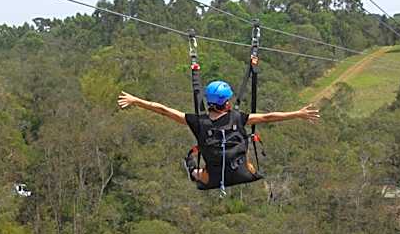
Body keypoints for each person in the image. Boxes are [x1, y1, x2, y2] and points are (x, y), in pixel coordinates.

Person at [117, 80, 320, 187]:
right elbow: (268, 117)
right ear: (227, 103)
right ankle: (234, 165)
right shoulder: (238, 118)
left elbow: (163, 110)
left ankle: (193, 170)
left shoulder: (198, 122)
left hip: (212, 177)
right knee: (243, 142)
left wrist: (137, 101)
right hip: (243, 171)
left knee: (197, 172)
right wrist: (298, 114)